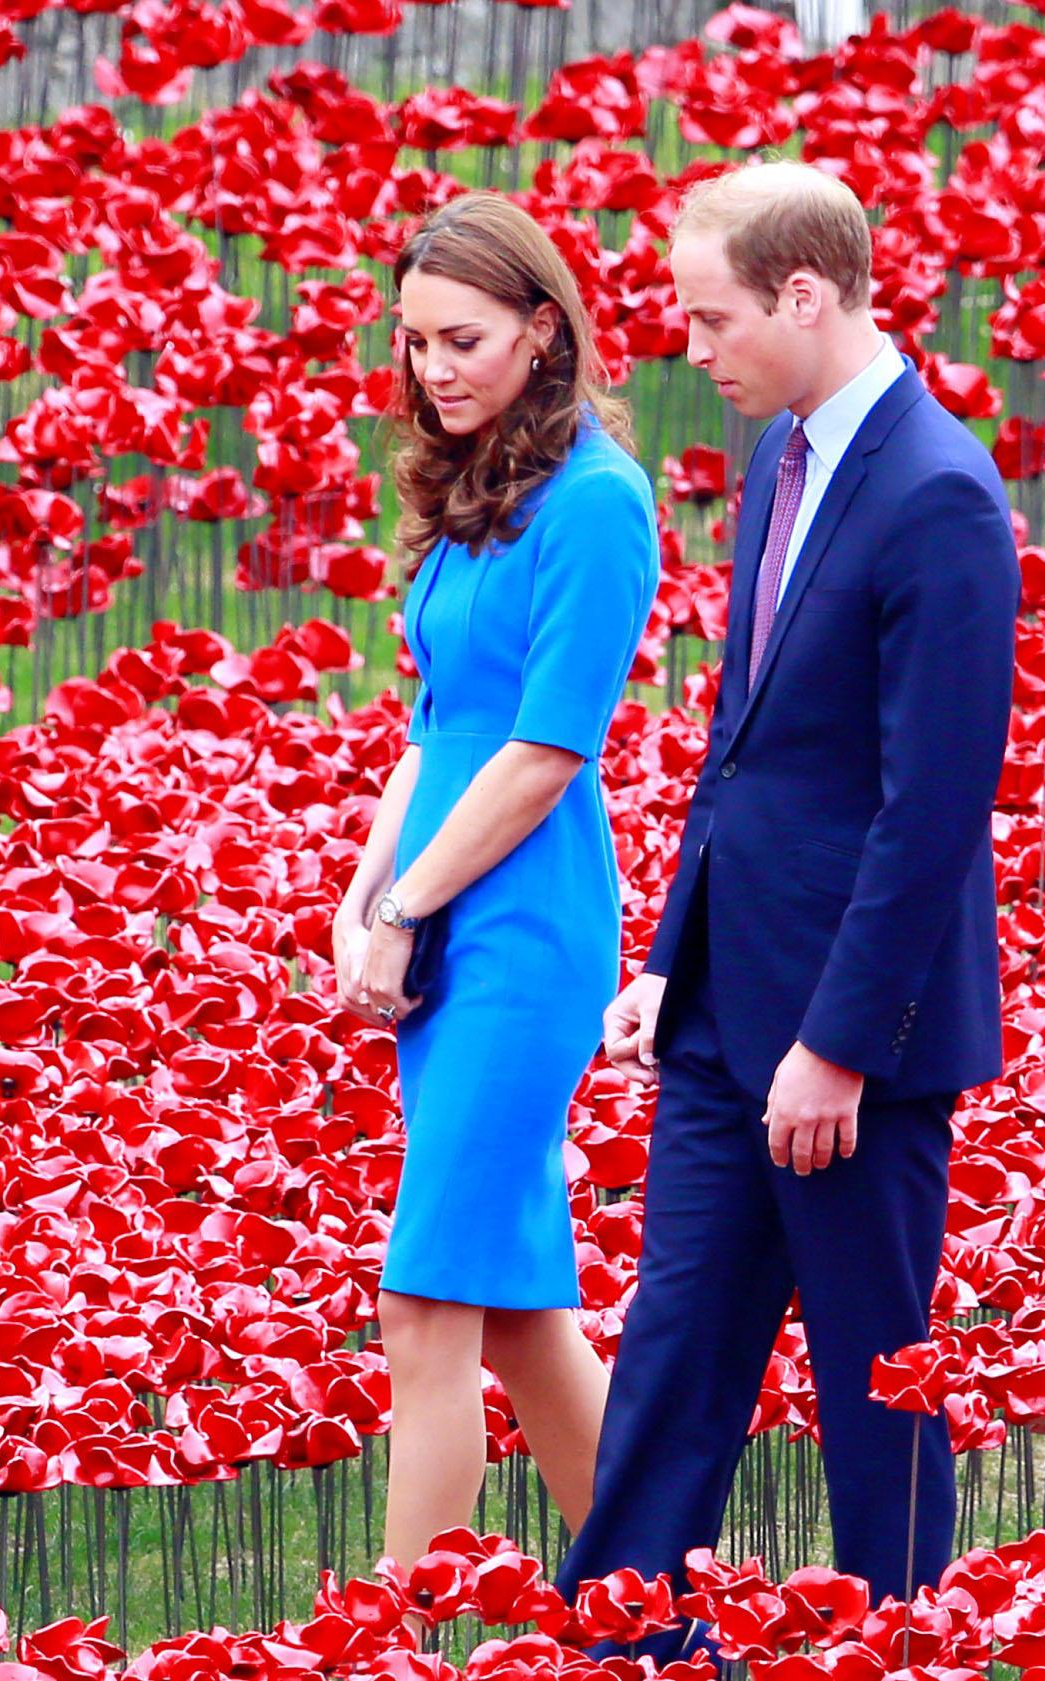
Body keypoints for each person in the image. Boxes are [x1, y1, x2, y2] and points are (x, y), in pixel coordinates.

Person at [555, 160, 1018, 1656]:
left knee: (875, 1378)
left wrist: (839, 1042)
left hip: (849, 1043)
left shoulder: (939, 493)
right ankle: (625, 1636)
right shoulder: (782, 459)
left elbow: (932, 806)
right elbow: (744, 748)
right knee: (675, 1356)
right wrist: (667, 961)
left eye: (714, 318)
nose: (694, 351)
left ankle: (899, 1638)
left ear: (805, 297)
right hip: (718, 1014)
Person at [333, 191, 659, 1596]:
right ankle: (654, 1606)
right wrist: (364, 897)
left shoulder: (596, 501)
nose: (435, 370)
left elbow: (539, 753)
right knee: (521, 1316)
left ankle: (392, 1639)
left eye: (462, 339)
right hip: (445, 896)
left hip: (525, 927)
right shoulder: (480, 496)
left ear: (544, 327)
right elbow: (436, 726)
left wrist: (410, 909)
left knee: (424, 1306)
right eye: (413, 346)